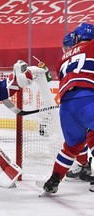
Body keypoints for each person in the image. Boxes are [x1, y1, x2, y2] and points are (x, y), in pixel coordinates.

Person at [43, 22, 94, 194]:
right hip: (89, 100)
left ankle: (53, 180)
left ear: (76, 38)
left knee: (71, 147)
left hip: (66, 107)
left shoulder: (61, 59)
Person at [61, 31, 93, 182]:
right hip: (87, 99)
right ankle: (84, 165)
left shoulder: (65, 59)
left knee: (78, 139)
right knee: (85, 135)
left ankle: (84, 165)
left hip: (71, 102)